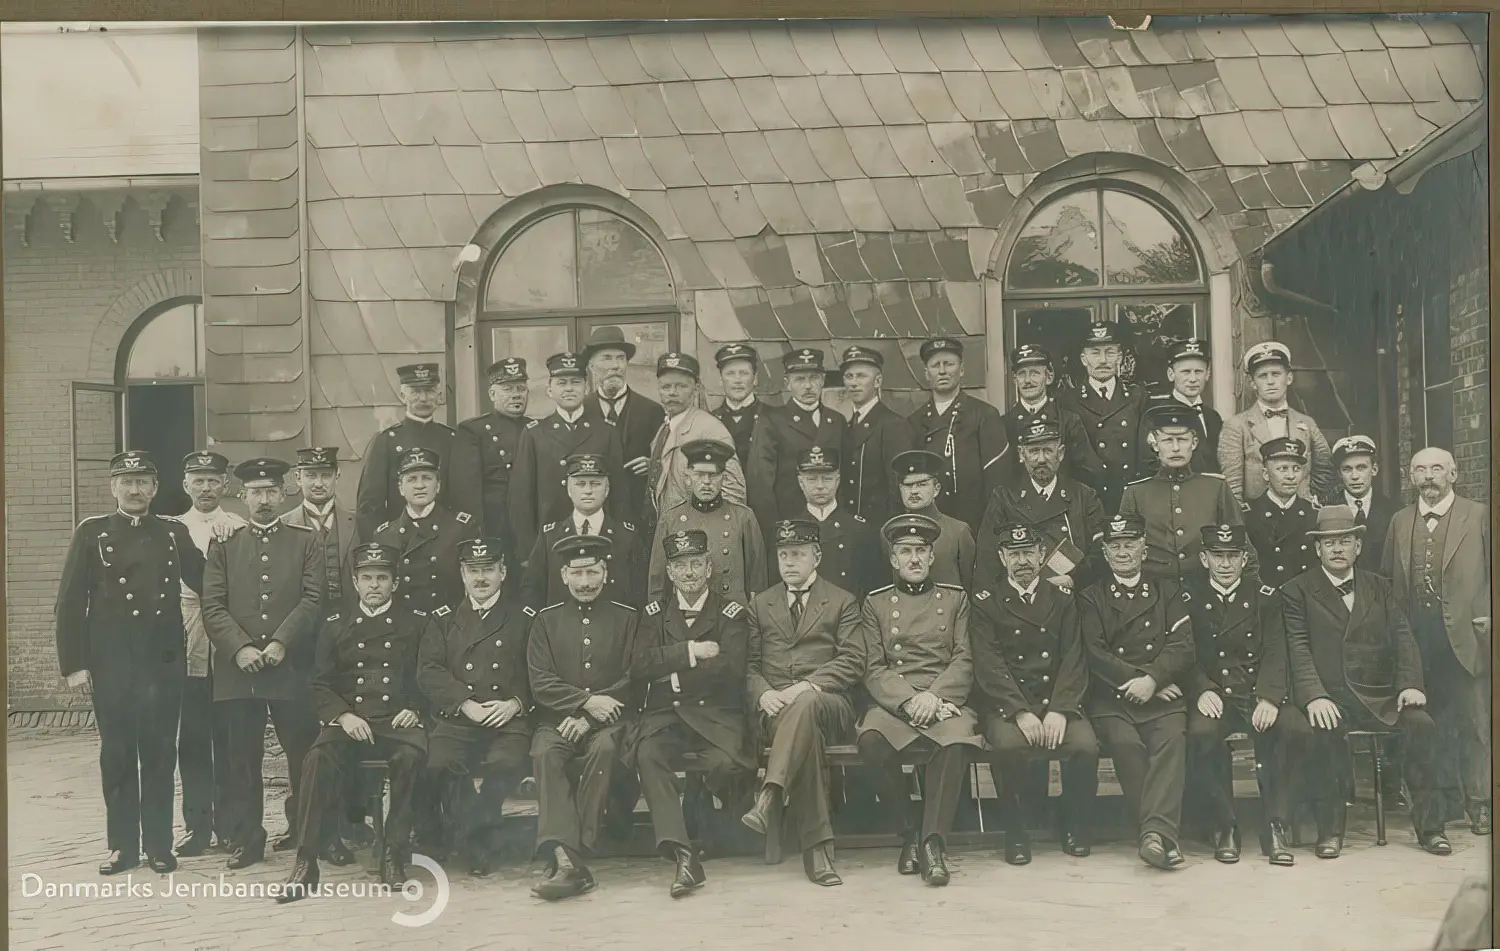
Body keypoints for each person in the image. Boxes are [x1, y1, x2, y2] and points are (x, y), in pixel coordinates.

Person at [55, 450, 207, 876]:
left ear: (155, 489)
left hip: (162, 662)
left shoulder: (173, 533)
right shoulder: (93, 533)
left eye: (143, 482)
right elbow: (70, 601)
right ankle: (122, 847)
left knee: (160, 754)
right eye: (127, 482)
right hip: (112, 663)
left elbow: (208, 581)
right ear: (113, 487)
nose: (135, 490)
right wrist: (75, 664)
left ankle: (159, 845)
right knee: (118, 754)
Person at [1282, 505, 1449, 856]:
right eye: (1329, 543)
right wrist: (1313, 696)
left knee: (1422, 726)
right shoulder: (1296, 591)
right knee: (1322, 730)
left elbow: (1403, 637)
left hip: (1379, 695)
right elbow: (1297, 648)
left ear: (1358, 546)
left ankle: (1432, 829)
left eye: (1345, 541)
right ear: (1317, 549)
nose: (1337, 549)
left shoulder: (1381, 587)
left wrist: (1410, 684)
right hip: (1330, 695)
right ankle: (1330, 831)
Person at [277, 543, 427, 901]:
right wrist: (343, 715)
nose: (374, 585)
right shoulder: (335, 624)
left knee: (410, 758)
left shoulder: (416, 623)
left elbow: (429, 673)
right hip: (349, 720)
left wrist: (415, 707)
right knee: (316, 759)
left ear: (395, 583)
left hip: (396, 720)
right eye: (367, 578)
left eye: (382, 578)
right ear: (355, 582)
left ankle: (393, 854)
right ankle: (305, 862)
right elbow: (319, 682)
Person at [201, 457, 323, 869]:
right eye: (256, 492)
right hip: (239, 671)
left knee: (303, 753)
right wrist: (239, 648)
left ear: (284, 493)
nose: (264, 499)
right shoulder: (224, 543)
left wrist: (282, 641)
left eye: (271, 491)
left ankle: (308, 834)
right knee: (241, 758)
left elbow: (313, 599)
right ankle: (247, 839)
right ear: (243, 496)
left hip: (291, 666)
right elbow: (213, 604)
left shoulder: (306, 541)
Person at [627, 530, 757, 898]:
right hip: (666, 715)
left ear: (709, 568)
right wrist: (692, 651)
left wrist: (669, 672)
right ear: (669, 572)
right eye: (680, 565)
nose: (689, 573)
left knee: (727, 765)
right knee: (647, 753)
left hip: (715, 715)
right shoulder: (653, 614)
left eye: (696, 564)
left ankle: (707, 821)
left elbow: (731, 669)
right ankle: (683, 853)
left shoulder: (732, 613)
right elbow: (639, 665)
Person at [857, 514, 983, 887]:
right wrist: (909, 701)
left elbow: (964, 658)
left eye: (921, 551)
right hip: (897, 701)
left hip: (944, 699)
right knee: (871, 742)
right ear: (893, 559)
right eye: (905, 551)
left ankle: (932, 844)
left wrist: (935, 696)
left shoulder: (956, 599)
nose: (914, 559)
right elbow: (873, 667)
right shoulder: (876, 603)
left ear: (931, 556)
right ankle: (910, 830)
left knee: (955, 742)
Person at [743, 519, 867, 887]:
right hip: (775, 708)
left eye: (797, 554)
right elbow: (748, 665)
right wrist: (763, 693)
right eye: (783, 555)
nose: (789, 562)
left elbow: (853, 660)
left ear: (817, 556)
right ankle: (817, 849)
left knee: (807, 705)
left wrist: (806, 686)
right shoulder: (760, 604)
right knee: (804, 731)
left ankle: (771, 793)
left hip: (828, 702)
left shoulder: (842, 601)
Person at [1182, 524, 1311, 867]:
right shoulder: (1189, 599)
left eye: (1233, 556)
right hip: (1216, 695)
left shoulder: (1266, 597)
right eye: (1218, 556)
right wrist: (1202, 688)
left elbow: (1277, 651)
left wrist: (1269, 697)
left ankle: (1276, 824)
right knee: (1200, 734)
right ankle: (1225, 825)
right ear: (1204, 559)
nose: (1225, 564)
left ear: (1244, 559)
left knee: (1295, 730)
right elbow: (1184, 653)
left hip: (1256, 693)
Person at [971, 524, 1097, 865]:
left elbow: (1073, 657)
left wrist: (1060, 709)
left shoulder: (1063, 599)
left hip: (1056, 700)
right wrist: (1020, 712)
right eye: (1014, 554)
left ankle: (1073, 824)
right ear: (1002, 558)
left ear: (1042, 555)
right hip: (1008, 704)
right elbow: (989, 664)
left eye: (1028, 553)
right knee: (1009, 746)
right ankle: (1017, 831)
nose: (1022, 561)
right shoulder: (987, 603)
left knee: (1085, 747)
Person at [1383, 448, 1491, 837]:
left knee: (1474, 723)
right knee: (1431, 724)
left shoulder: (1478, 516)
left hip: (1466, 639)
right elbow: (1389, 581)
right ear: (1411, 477)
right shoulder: (1400, 521)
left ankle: (1481, 803)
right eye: (1420, 469)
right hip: (1417, 641)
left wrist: (1488, 616)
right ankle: (1442, 803)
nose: (1428, 476)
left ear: (1453, 474)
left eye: (1436, 469)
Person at [1077, 515, 1195, 871]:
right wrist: (1139, 680)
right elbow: (1094, 653)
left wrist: (1154, 679)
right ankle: (1160, 835)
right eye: (1115, 546)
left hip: (1162, 693)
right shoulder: (1091, 597)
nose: (1123, 552)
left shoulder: (1167, 591)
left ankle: (1153, 835)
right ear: (1105, 552)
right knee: (1126, 745)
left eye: (1130, 545)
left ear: (1144, 550)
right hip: (1113, 696)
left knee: (1172, 741)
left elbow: (1183, 645)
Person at [527, 535, 639, 900]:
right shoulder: (546, 621)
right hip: (558, 720)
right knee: (544, 752)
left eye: (592, 572)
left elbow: (634, 678)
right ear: (564, 575)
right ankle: (569, 858)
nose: (585, 581)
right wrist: (584, 703)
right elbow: (540, 681)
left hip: (611, 722)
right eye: (577, 573)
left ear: (605, 572)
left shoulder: (627, 618)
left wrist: (591, 718)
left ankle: (571, 856)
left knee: (604, 750)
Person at [419, 537, 535, 877]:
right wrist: (464, 703)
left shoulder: (524, 617)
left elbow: (539, 670)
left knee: (506, 763)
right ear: (462, 574)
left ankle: (475, 834)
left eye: (488, 570)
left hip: (507, 720)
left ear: (503, 572)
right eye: (473, 571)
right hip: (459, 718)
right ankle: (475, 835)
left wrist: (516, 703)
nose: (481, 578)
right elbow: (429, 670)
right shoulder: (443, 619)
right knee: (439, 764)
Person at [170, 450, 245, 858]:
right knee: (194, 740)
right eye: (197, 480)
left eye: (213, 480)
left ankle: (231, 825)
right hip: (188, 637)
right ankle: (197, 827)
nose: (205, 488)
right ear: (185, 485)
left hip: (229, 638)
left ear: (225, 485)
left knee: (231, 739)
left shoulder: (239, 527)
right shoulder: (171, 529)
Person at [1119, 402, 1251, 583]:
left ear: (1194, 443)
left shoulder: (1216, 487)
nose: (1175, 448)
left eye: (1182, 440)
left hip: (1204, 587)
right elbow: (1125, 550)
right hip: (1155, 588)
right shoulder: (1135, 492)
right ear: (1155, 444)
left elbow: (1241, 543)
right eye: (1167, 440)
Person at [511, 352, 626, 559]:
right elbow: (522, 499)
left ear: (587, 388)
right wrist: (529, 552)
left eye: (576, 382)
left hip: (598, 538)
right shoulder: (535, 434)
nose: (569, 389)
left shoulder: (606, 431)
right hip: (549, 540)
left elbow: (618, 493)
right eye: (562, 383)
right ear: (550, 390)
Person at [975, 419, 1106, 594]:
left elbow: (1100, 550)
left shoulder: (1084, 496)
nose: (1041, 459)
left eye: (1048, 451)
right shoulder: (1004, 498)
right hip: (1019, 597)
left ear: (1060, 453)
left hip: (1074, 594)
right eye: (1034, 451)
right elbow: (987, 555)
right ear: (1022, 454)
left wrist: (1073, 579)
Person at [356, 362, 481, 541]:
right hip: (400, 540)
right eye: (415, 392)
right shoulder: (386, 441)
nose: (423, 398)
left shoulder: (452, 439)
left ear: (439, 396)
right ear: (402, 396)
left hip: (445, 541)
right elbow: (370, 505)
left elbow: (464, 497)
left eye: (429, 391)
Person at [647, 439, 766, 605]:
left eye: (713, 475)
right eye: (699, 474)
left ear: (723, 478)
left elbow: (757, 580)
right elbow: (658, 581)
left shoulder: (743, 517)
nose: (707, 482)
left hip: (733, 612)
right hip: (686, 611)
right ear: (688, 477)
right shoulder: (671, 518)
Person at [908, 336, 1009, 531]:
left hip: (974, 523)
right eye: (935, 365)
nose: (942, 371)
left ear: (961, 370)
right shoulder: (914, 422)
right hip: (930, 525)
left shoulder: (983, 415)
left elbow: (997, 481)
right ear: (927, 373)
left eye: (949, 364)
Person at [522, 453, 644, 611]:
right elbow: (532, 588)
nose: (588, 491)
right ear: (569, 489)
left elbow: (639, 591)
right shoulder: (550, 536)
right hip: (561, 624)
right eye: (580, 484)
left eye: (595, 484)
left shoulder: (627, 536)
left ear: (607, 489)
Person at [1218, 341, 1334, 506]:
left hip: (1301, 515)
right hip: (1257, 517)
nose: (1270, 381)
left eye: (1276, 374)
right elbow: (1232, 486)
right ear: (1252, 383)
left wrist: (1308, 502)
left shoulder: (1307, 424)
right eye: (1263, 376)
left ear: (1289, 378)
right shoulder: (1236, 426)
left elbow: (1325, 471)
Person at [369, 448, 480, 616]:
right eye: (412, 479)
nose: (420, 485)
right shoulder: (384, 535)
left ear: (438, 485)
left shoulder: (461, 528)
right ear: (401, 488)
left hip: (448, 621)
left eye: (427, 478)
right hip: (403, 624)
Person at [645, 352, 748, 530]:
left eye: (681, 386)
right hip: (667, 530)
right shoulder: (665, 428)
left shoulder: (710, 429)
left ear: (696, 389)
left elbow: (734, 495)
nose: (672, 392)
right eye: (666, 386)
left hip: (697, 533)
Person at [1057, 323, 1148, 516]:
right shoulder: (1068, 400)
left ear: (1120, 357)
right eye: (1095, 353)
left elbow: (1145, 456)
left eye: (1110, 352)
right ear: (1084, 358)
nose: (1103, 360)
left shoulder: (1137, 397)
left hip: (1129, 498)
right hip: (1088, 500)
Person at [583, 325, 666, 526]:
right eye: (607, 358)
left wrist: (652, 465)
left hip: (637, 513)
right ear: (592, 366)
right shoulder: (581, 410)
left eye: (621, 358)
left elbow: (666, 460)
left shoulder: (651, 411)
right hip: (593, 514)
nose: (615, 366)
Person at [756, 348, 847, 525]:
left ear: (823, 380)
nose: (808, 386)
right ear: (787, 383)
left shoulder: (837, 421)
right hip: (790, 520)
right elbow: (762, 483)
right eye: (800, 379)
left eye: (814, 378)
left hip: (832, 520)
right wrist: (773, 526)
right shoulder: (772, 421)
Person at [458, 357, 533, 558]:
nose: (516, 395)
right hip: (494, 528)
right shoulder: (474, 431)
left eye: (521, 389)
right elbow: (468, 492)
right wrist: (477, 535)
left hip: (530, 529)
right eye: (508, 389)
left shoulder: (537, 429)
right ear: (492, 394)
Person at [1000, 344, 1099, 489]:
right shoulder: (1004, 424)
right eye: (1022, 374)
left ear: (1048, 377)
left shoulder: (1068, 421)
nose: (1027, 381)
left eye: (1034, 373)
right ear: (1015, 379)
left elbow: (1088, 471)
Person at [838, 345, 915, 525]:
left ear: (878, 381)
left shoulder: (893, 424)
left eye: (861, 376)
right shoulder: (846, 425)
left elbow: (899, 486)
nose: (854, 383)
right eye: (849, 376)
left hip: (880, 525)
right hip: (849, 526)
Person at [793, 445, 883, 597]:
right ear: (801, 482)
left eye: (827, 479)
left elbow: (874, 587)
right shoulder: (791, 531)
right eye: (812, 479)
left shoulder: (860, 530)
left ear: (837, 480)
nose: (820, 486)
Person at [711, 342, 779, 535]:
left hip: (767, 519)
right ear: (720, 379)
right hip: (722, 519)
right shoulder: (709, 422)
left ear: (755, 379)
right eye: (730, 374)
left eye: (744, 373)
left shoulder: (776, 419)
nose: (738, 380)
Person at [888, 449, 974, 590]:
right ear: (900, 488)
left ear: (936, 489)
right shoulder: (890, 532)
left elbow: (970, 584)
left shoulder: (958, 532)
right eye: (908, 485)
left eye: (922, 484)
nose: (914, 491)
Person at [1244, 437, 1319, 589]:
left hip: (1304, 595)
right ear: (1266, 474)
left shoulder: (1314, 514)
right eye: (1283, 469)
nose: (1291, 476)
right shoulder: (1248, 514)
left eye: (1296, 469)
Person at [1141, 339, 1221, 476]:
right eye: (1186, 372)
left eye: (1198, 371)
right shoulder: (1157, 416)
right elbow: (1149, 462)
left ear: (1207, 374)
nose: (1193, 379)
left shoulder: (1213, 417)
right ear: (1171, 374)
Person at [1326, 435, 1394, 571]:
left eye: (1361, 468)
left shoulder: (1393, 510)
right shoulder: (1328, 510)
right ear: (1339, 473)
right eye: (1347, 469)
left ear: (1374, 469)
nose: (1355, 476)